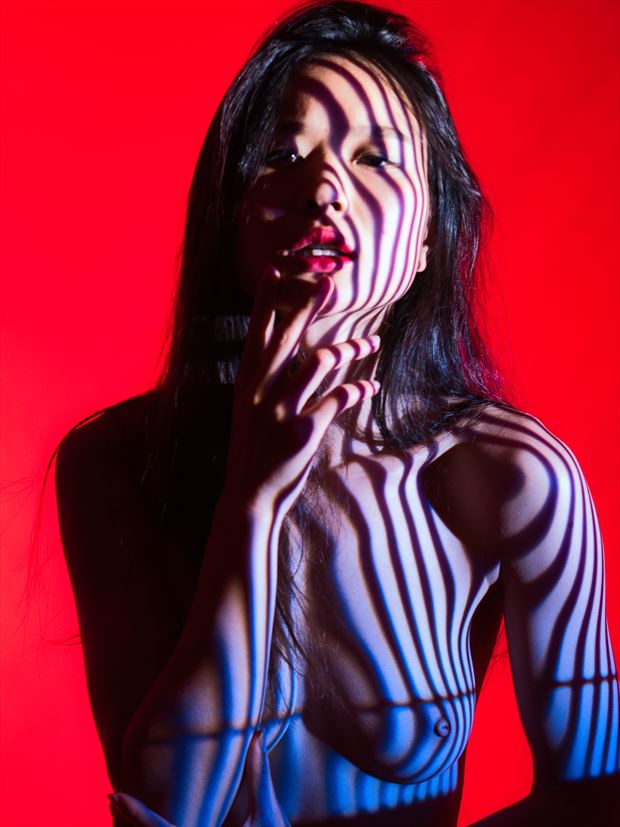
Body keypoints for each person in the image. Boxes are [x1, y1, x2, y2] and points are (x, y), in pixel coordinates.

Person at [54, 2, 619, 825]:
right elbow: (169, 806)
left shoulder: (512, 478)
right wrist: (252, 497)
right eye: (283, 155)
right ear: (230, 215)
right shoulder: (115, 463)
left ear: (425, 239)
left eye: (375, 158)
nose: (324, 188)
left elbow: (594, 797)